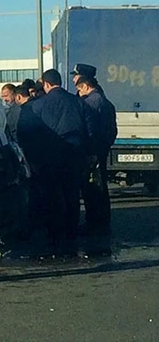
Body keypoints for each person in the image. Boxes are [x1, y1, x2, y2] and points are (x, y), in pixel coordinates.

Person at [28, 69, 90, 255]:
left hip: (49, 157)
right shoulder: (78, 102)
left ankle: (54, 233)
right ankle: (71, 230)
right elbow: (88, 130)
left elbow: (33, 134)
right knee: (72, 194)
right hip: (74, 155)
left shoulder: (38, 105)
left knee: (51, 195)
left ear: (46, 84)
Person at [75, 75, 117, 237]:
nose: (78, 93)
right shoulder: (105, 102)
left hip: (92, 152)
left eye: (79, 89)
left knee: (92, 188)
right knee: (101, 187)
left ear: (85, 86)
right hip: (102, 149)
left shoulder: (90, 103)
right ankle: (101, 221)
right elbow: (112, 130)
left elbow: (88, 129)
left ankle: (94, 223)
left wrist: (90, 150)